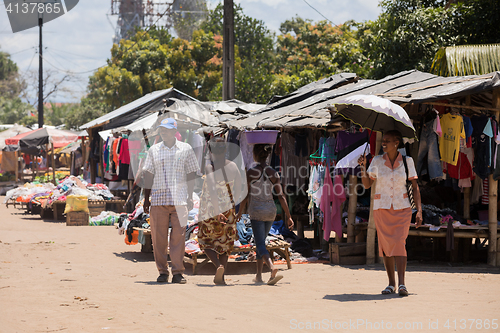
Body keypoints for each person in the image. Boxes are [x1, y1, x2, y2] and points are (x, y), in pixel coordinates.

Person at [358, 130, 423, 297]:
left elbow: (415, 187)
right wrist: (363, 167)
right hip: (382, 208)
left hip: (403, 208)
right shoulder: (377, 161)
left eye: (388, 140)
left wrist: (419, 210)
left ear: (397, 143)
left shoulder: (408, 162)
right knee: (386, 247)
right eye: (383, 140)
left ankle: (402, 284)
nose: (384, 143)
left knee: (399, 243)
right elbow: (366, 185)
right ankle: (391, 284)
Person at [143, 118, 200, 284]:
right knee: (158, 238)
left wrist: (190, 195)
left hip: (180, 200)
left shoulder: (185, 149)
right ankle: (162, 272)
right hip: (158, 201)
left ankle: (177, 272)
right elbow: (148, 174)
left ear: (174, 130)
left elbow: (191, 173)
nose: (163, 132)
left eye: (167, 129)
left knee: (178, 238)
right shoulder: (153, 150)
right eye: (162, 129)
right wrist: (146, 199)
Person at [236, 143, 294, 285]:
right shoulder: (274, 173)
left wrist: (239, 212)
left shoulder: (250, 172)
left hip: (256, 212)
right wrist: (289, 216)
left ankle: (272, 268)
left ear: (255, 155)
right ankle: (259, 276)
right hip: (270, 211)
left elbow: (245, 195)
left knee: (260, 243)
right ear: (267, 155)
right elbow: (281, 196)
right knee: (260, 243)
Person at [198, 137, 242, 285]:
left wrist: (217, 210)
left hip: (211, 210)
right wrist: (234, 208)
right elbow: (239, 190)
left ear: (210, 151)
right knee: (225, 243)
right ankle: (221, 278)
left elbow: (211, 187)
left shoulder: (210, 167)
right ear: (225, 149)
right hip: (228, 209)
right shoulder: (234, 167)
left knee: (205, 241)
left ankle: (219, 266)